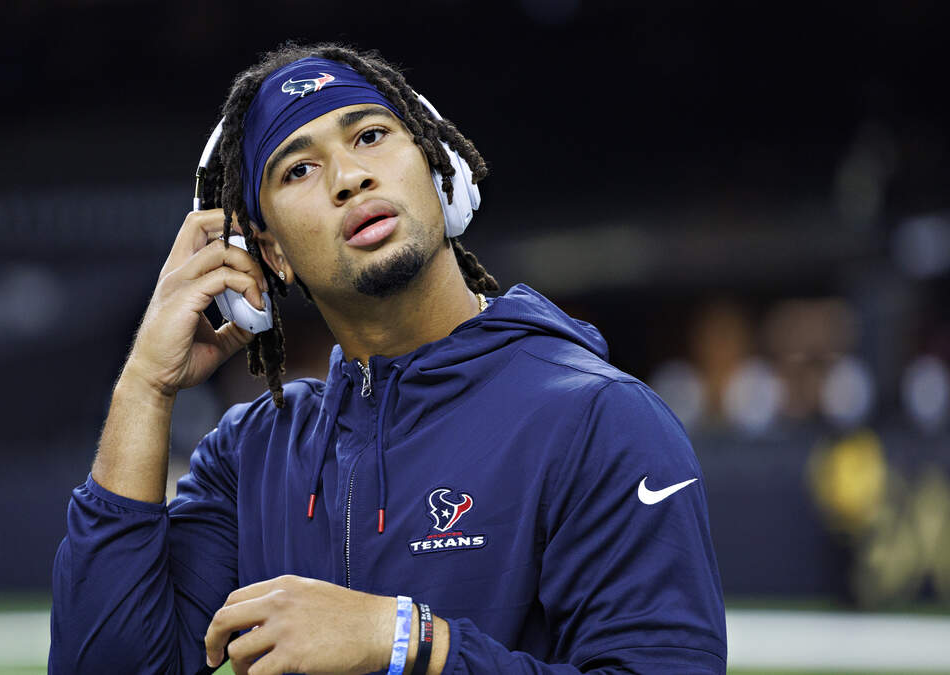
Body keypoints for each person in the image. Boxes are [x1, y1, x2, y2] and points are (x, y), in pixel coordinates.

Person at [50, 43, 726, 674]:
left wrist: (407, 639)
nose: (350, 177)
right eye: (299, 169)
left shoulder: (604, 419)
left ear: (440, 170)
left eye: (370, 135)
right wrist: (146, 385)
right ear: (270, 253)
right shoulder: (251, 456)